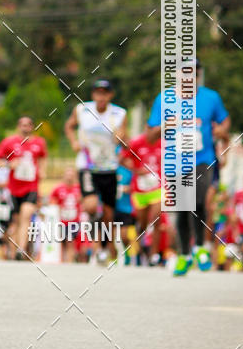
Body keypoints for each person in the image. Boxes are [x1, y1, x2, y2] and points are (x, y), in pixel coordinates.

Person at [147, 60, 230, 276]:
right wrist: (167, 125)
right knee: (183, 207)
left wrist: (221, 131)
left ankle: (200, 247)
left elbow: (225, 121)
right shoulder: (164, 99)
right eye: (184, 73)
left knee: (199, 198)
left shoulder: (211, 97)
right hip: (175, 161)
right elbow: (150, 136)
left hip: (203, 158)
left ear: (198, 76)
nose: (188, 78)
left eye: (193, 74)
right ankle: (184, 255)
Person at [65, 79, 127, 259]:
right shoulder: (82, 109)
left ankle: (104, 247)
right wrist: (74, 141)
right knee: (91, 206)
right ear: (93, 95)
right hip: (87, 165)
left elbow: (125, 139)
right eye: (98, 92)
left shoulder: (119, 113)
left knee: (108, 214)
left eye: (105, 93)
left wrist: (120, 138)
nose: (101, 96)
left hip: (109, 168)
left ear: (110, 95)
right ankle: (97, 242)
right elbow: (69, 126)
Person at [0, 116, 47, 259]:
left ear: (32, 127)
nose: (25, 127)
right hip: (14, 188)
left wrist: (42, 170)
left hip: (31, 187)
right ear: (18, 126)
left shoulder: (39, 143)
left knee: (26, 216)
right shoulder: (9, 142)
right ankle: (12, 250)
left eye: (28, 125)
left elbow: (43, 158)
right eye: (22, 124)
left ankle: (21, 250)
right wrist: (9, 164)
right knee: (15, 220)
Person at [119, 133, 162, 263]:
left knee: (157, 219)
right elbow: (121, 159)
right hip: (140, 190)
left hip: (157, 188)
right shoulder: (137, 142)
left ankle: (154, 255)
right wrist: (136, 170)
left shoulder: (164, 143)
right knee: (142, 224)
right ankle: (140, 250)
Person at [49, 166, 81, 262]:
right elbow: (52, 202)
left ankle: (69, 261)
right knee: (61, 242)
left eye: (71, 175)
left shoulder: (79, 189)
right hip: (61, 220)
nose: (69, 177)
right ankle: (61, 261)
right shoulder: (58, 189)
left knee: (70, 241)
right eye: (68, 175)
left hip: (74, 220)